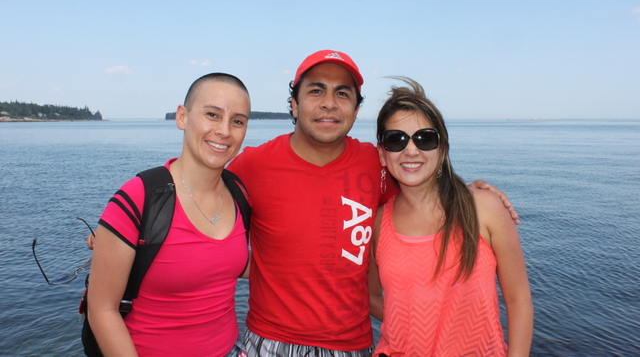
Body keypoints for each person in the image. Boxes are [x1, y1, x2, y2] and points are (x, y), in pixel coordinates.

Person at [226, 50, 520, 356]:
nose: (329, 102)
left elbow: (422, 183)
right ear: (294, 105)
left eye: (343, 93)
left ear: (355, 110)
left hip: (353, 346)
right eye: (316, 90)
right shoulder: (252, 166)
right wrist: (262, 267)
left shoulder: (377, 163)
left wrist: (470, 192)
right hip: (271, 342)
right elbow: (200, 222)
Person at [87, 73, 251, 357]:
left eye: (237, 121)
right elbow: (102, 310)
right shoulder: (140, 197)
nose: (224, 130)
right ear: (182, 117)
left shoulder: (239, 194)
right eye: (212, 114)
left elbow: (231, 266)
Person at [368, 77, 533, 356]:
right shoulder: (378, 222)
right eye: (396, 140)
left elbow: (518, 301)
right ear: (382, 154)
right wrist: (414, 323)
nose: (411, 149)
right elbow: (370, 297)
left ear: (442, 149)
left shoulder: (483, 208)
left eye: (425, 138)